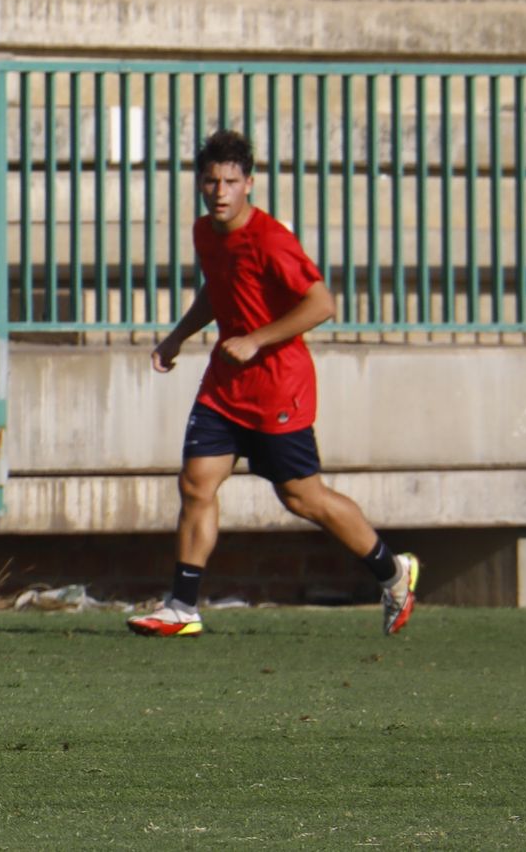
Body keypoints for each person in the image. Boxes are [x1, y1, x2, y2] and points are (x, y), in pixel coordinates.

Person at [127, 130, 419, 639]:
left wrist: (257, 339)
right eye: (212, 180)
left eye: (231, 181)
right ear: (201, 183)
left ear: (250, 184)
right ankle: (182, 606)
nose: (220, 191)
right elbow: (219, 291)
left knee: (303, 498)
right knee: (196, 484)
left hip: (277, 390)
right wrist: (175, 338)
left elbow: (322, 304)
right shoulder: (205, 232)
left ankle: (394, 573)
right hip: (225, 385)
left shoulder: (271, 240)